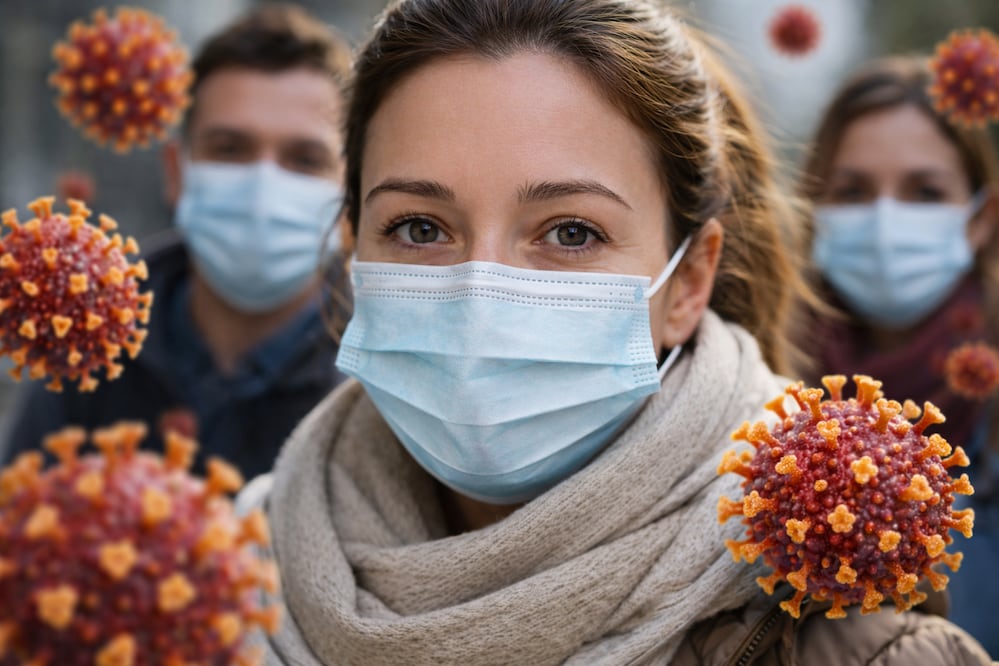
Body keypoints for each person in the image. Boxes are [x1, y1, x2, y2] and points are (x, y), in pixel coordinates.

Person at [241, 2, 992, 663]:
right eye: (417, 226)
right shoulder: (214, 580)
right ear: (352, 245)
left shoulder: (856, 644)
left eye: (570, 231)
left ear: (688, 282)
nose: (480, 291)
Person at [1, 4, 352, 479]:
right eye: (230, 149)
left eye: (305, 160)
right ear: (176, 172)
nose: (262, 188)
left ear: (351, 195)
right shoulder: (84, 340)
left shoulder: (376, 386)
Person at [799, 56, 999, 657]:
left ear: (979, 220)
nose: (886, 221)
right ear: (816, 212)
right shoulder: (759, 390)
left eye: (925, 192)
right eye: (854, 191)